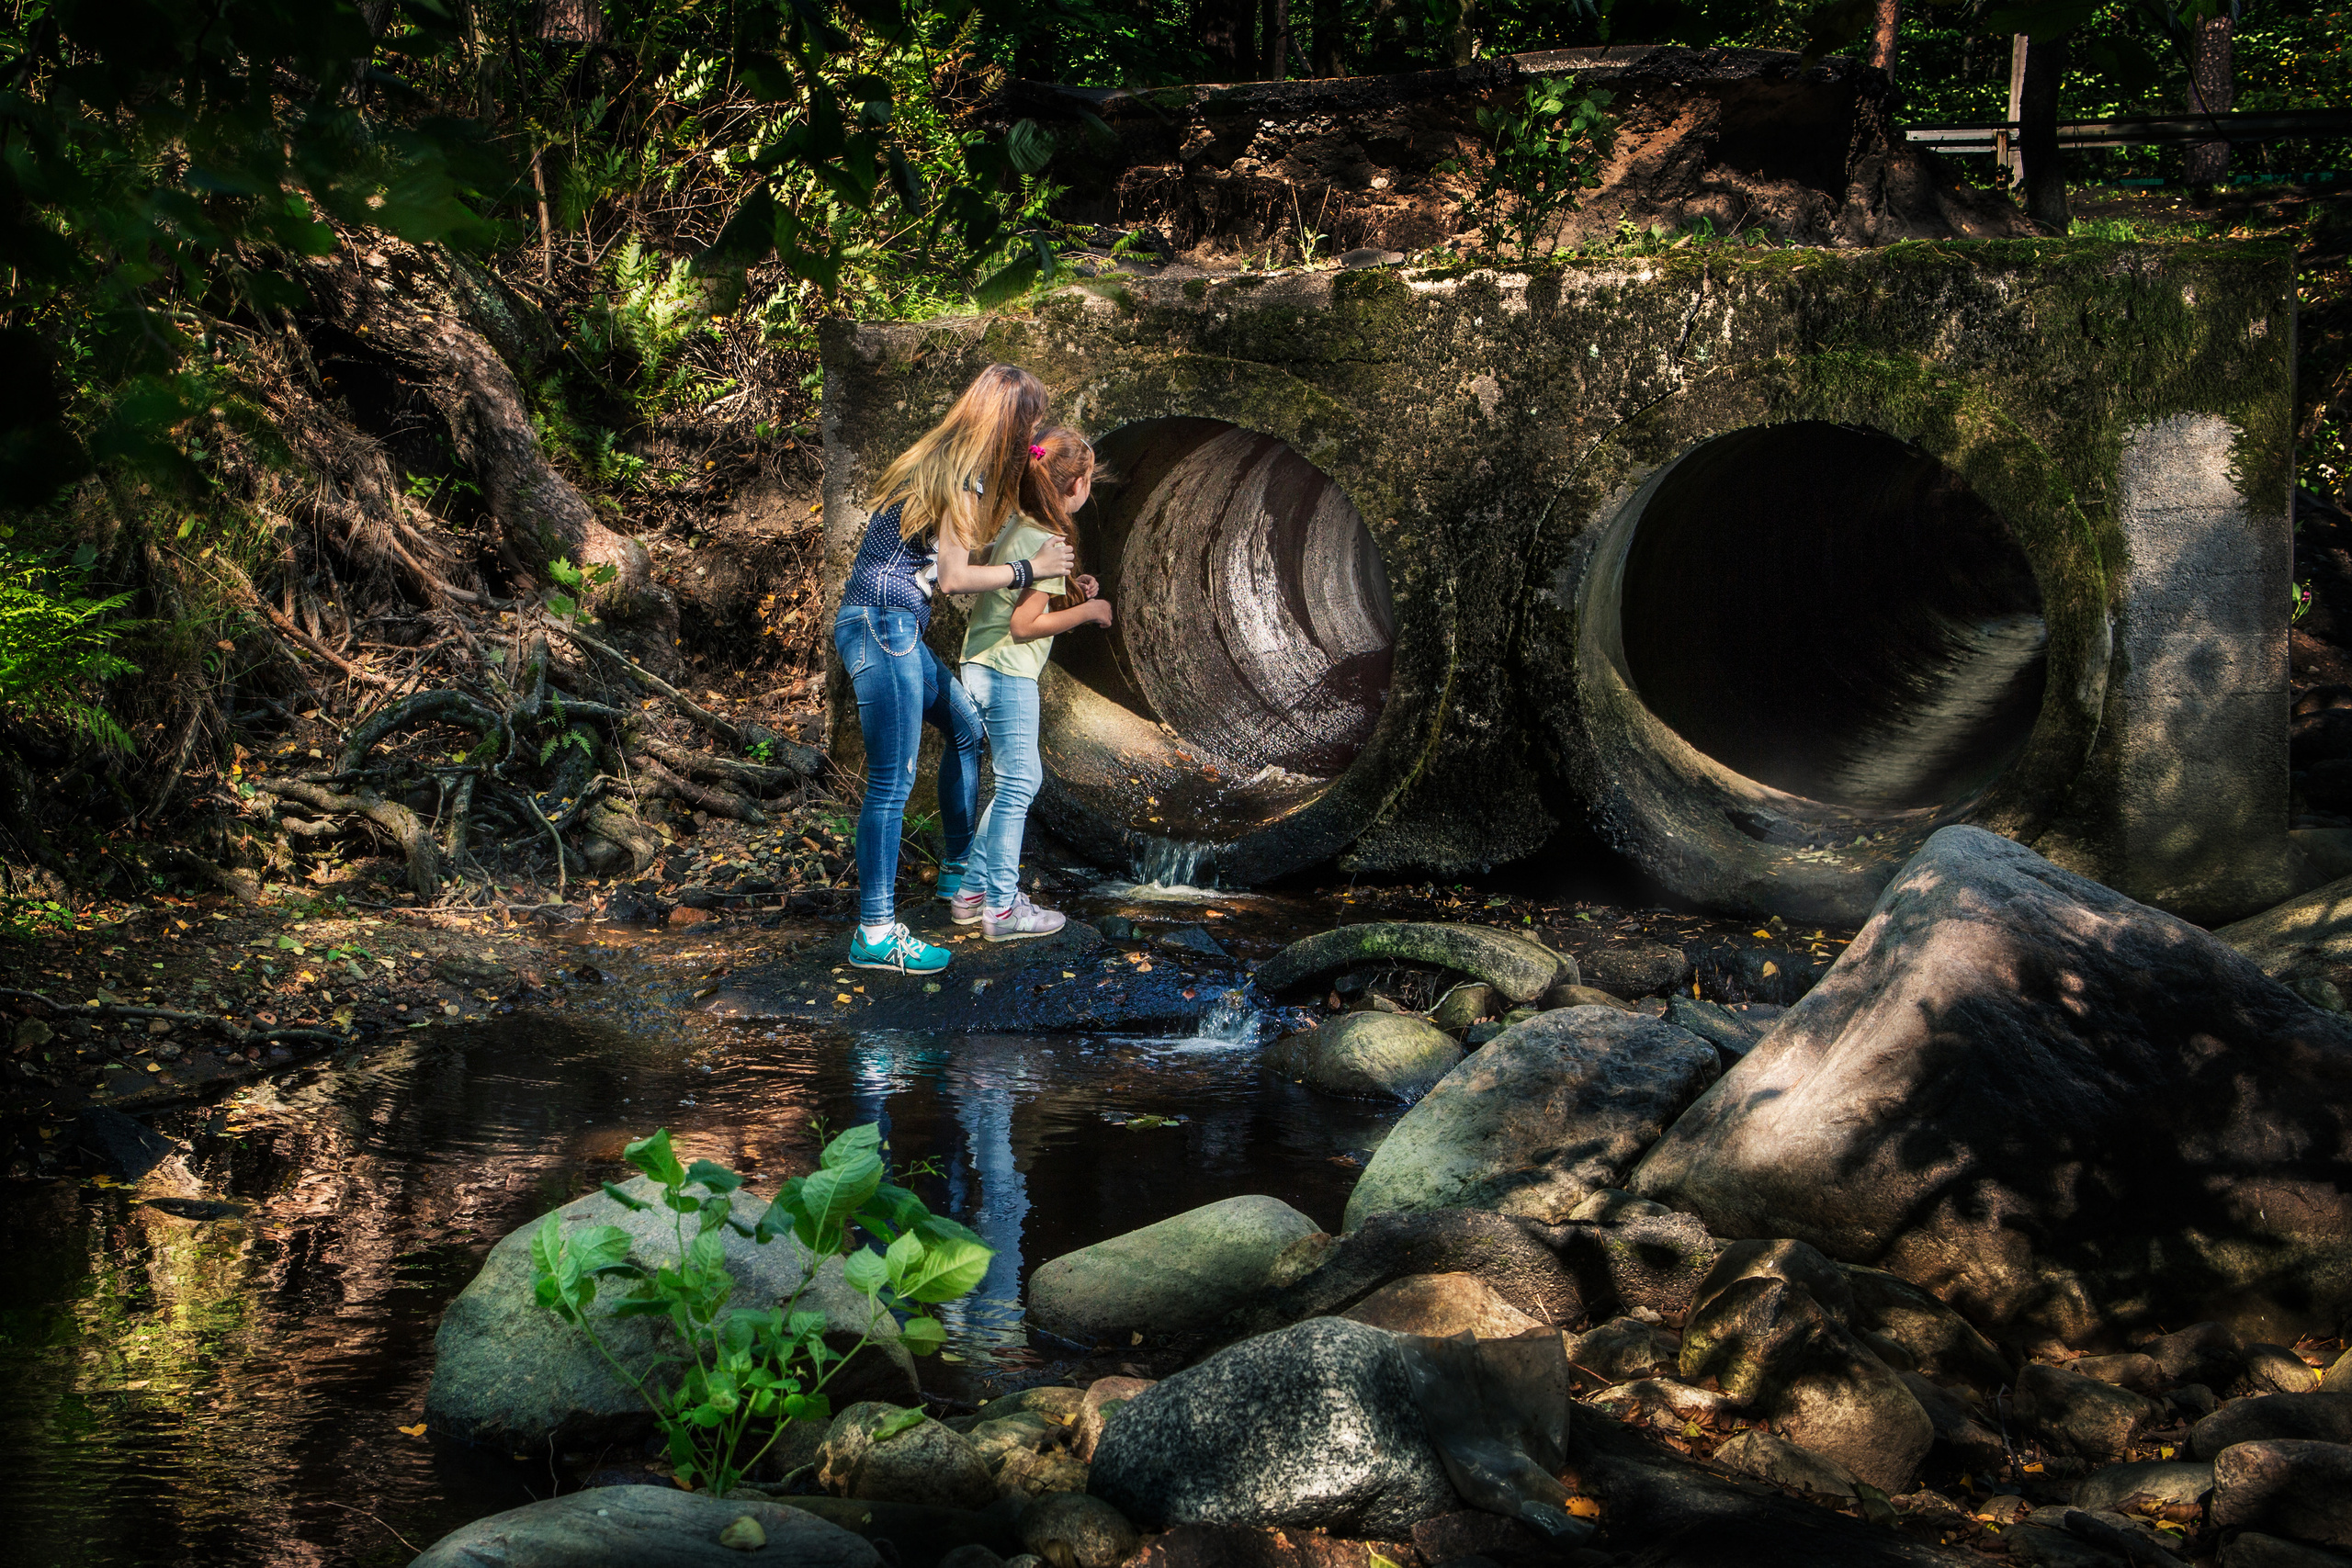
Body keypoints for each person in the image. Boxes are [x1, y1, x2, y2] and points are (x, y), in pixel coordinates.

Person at [833, 365, 1074, 975]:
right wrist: (1028, 569)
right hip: (881, 624)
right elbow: (956, 577)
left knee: (966, 724)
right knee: (892, 779)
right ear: (1011, 421)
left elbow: (957, 555)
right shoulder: (963, 474)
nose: (1034, 437)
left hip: (895, 627)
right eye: (1031, 424)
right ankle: (877, 932)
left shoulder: (951, 460)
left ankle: (957, 871)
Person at [955, 428, 1114, 940]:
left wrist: (1072, 588)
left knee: (1014, 783)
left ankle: (971, 892)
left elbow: (1022, 598)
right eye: (1089, 479)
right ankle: (1001, 909)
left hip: (980, 663)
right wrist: (1087, 610)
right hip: (1007, 669)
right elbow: (1023, 627)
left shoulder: (1024, 524)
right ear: (1076, 485)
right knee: (1020, 783)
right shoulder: (1049, 539)